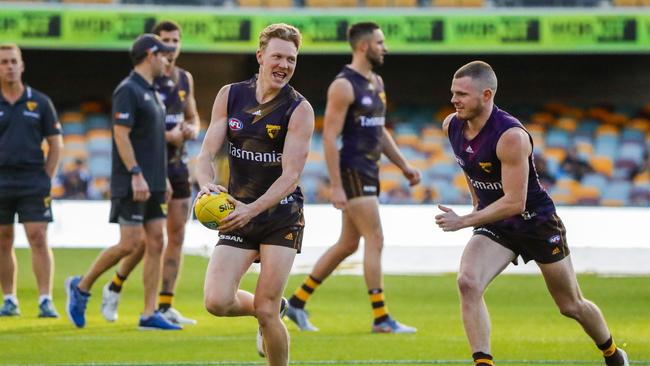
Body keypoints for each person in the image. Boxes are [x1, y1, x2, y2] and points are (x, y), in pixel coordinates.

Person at [435, 61, 629, 366]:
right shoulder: (452, 125)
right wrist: (477, 205)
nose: (454, 100)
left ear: (486, 95)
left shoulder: (511, 136)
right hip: (496, 224)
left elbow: (516, 203)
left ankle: (612, 352)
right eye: (453, 93)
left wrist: (464, 220)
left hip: (535, 223)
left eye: (462, 94)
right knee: (468, 282)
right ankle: (483, 363)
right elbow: (471, 169)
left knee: (570, 305)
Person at [286, 22, 421, 334]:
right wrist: (336, 185)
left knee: (348, 244)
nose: (384, 48)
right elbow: (330, 138)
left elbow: (380, 130)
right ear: (363, 46)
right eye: (380, 42)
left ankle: (296, 302)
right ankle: (381, 318)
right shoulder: (343, 86)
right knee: (376, 238)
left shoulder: (377, 81)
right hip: (353, 171)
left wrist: (403, 166)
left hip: (370, 170)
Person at [197, 23, 314, 365]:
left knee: (265, 312)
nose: (284, 65)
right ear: (261, 56)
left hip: (281, 218)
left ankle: (270, 314)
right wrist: (206, 183)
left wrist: (252, 210)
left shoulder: (299, 109)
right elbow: (205, 155)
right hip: (237, 213)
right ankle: (274, 306)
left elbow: (291, 176)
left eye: (291, 59)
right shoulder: (230, 94)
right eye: (278, 56)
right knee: (216, 302)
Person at [65, 34, 182, 330]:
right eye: (163, 54)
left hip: (154, 181)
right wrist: (136, 173)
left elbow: (154, 140)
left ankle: (148, 313)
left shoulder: (152, 91)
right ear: (149, 55)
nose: (167, 59)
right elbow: (120, 135)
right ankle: (81, 286)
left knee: (156, 241)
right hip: (133, 180)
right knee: (130, 243)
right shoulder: (128, 90)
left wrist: (163, 178)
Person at [100, 20, 200, 326]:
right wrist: (164, 136)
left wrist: (190, 129)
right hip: (151, 165)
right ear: (154, 47)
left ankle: (165, 304)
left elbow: (194, 116)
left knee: (175, 236)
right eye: (166, 40)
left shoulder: (185, 79)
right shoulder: (145, 79)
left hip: (178, 166)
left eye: (175, 40)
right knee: (145, 241)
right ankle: (114, 286)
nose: (172, 46)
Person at [0, 43, 63, 318]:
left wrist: (46, 177)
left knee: (38, 238)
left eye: (13, 61)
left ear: (22, 65)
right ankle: (9, 298)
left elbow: (56, 144)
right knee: (3, 240)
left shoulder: (40, 102)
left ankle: (45, 299)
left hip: (33, 181)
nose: (9, 66)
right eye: (3, 62)